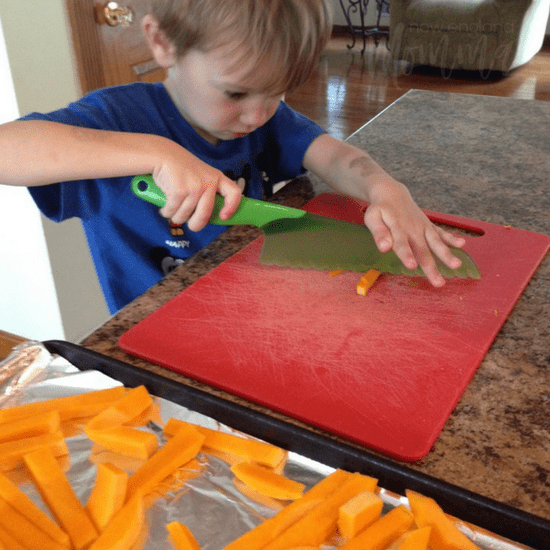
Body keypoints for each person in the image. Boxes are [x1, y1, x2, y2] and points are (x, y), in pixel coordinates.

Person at [0, 0, 465, 314]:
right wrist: (157, 152)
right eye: (237, 92)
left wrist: (385, 189)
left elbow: (337, 157)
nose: (259, 113)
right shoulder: (117, 117)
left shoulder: (266, 119)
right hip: (158, 336)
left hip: (254, 306)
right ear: (163, 43)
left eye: (278, 90)